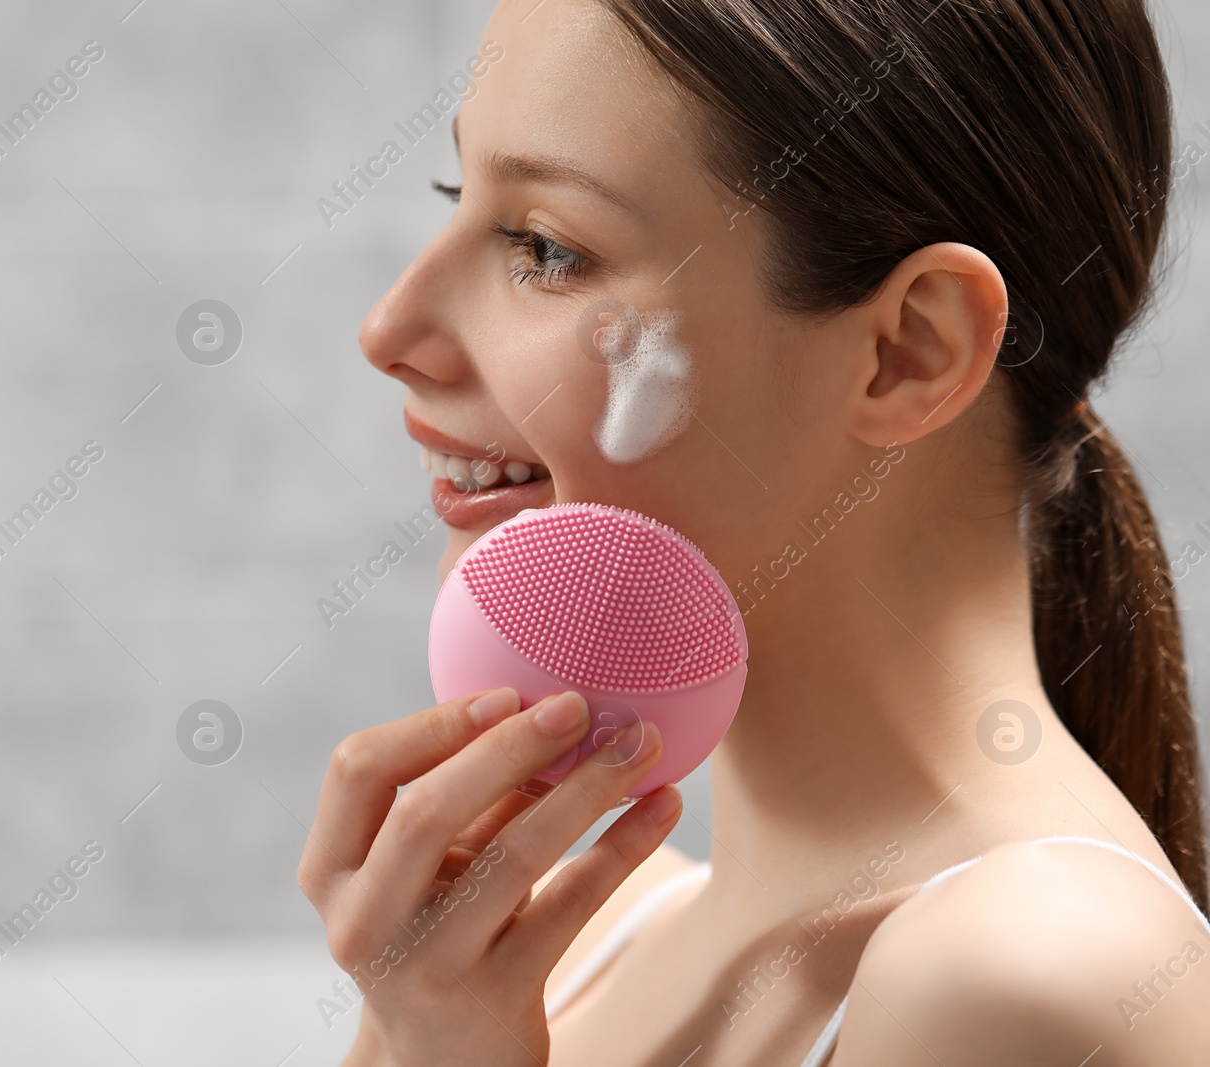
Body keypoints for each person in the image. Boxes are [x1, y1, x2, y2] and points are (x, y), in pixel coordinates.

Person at [298, 0, 1210, 1062]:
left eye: (545, 247)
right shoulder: (557, 943)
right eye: (460, 197)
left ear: (911, 348)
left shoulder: (1028, 975)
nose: (389, 331)